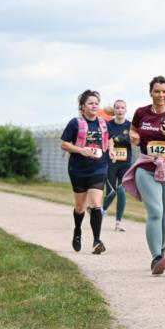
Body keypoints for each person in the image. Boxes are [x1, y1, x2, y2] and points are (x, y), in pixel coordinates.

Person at [122, 76, 165, 275]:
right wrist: (133, 137)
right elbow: (133, 131)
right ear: (150, 92)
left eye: (164, 92)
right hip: (146, 166)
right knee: (155, 211)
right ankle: (156, 258)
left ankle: (161, 248)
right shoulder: (141, 113)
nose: (161, 95)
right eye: (157, 91)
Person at [60, 90, 110, 254]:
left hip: (99, 167)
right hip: (78, 168)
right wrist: (81, 150)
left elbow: (108, 140)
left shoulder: (103, 123)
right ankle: (77, 230)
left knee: (96, 203)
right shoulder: (75, 123)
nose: (94, 106)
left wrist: (112, 150)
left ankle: (97, 240)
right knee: (80, 206)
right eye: (90, 103)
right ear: (83, 106)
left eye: (96, 103)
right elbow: (64, 144)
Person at [103, 99, 132, 232]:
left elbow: (133, 140)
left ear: (126, 110)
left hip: (125, 164)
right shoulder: (108, 125)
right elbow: (107, 140)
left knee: (121, 191)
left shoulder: (131, 126)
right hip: (111, 163)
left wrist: (120, 139)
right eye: (117, 108)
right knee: (111, 192)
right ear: (114, 110)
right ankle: (101, 211)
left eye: (122, 108)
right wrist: (112, 147)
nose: (120, 110)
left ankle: (118, 222)